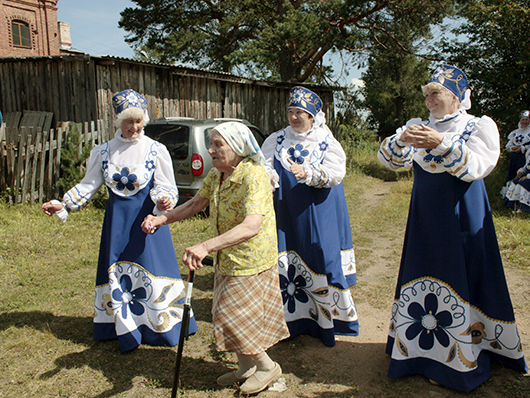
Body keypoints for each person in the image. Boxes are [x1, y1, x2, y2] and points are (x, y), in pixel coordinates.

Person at [378, 64, 527, 392]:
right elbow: (390, 161)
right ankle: (417, 352)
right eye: (427, 93)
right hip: (424, 218)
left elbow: (478, 166)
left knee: (460, 275)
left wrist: (442, 143)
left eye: (437, 93)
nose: (430, 99)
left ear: (458, 97)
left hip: (461, 216)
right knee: (425, 269)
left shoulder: (477, 126)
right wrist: (403, 139)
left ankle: (462, 358)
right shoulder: (417, 126)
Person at [42, 89, 197, 352]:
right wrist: (63, 203)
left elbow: (167, 186)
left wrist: (163, 200)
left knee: (152, 267)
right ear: (118, 122)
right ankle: (124, 326)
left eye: (138, 121)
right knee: (118, 269)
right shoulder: (103, 152)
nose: (134, 127)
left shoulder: (155, 149)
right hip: (117, 224)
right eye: (128, 121)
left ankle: (161, 326)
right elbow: (89, 185)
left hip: (149, 222)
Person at [142, 121, 289, 395]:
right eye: (211, 144)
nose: (211, 150)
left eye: (218, 144)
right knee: (224, 312)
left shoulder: (253, 175)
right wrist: (162, 218)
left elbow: (251, 226)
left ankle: (268, 367)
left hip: (251, 259)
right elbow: (197, 203)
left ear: (237, 147)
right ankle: (246, 367)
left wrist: (205, 246)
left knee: (236, 316)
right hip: (229, 256)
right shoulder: (218, 173)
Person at [261, 86, 359, 347]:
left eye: (300, 113)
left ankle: (328, 321)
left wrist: (310, 174)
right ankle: (291, 320)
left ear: (313, 117)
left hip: (320, 207)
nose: (294, 117)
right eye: (291, 112)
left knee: (322, 257)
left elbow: (336, 173)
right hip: (287, 209)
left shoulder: (326, 141)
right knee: (287, 257)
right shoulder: (277, 139)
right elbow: (265, 166)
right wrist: (270, 177)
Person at [500, 110, 530, 198]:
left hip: (526, 158)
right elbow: (508, 146)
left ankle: (520, 197)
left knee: (522, 176)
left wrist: (523, 148)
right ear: (520, 121)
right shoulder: (515, 132)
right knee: (513, 175)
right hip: (515, 158)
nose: (525, 122)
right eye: (523, 120)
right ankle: (509, 196)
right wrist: (512, 148)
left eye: (527, 120)